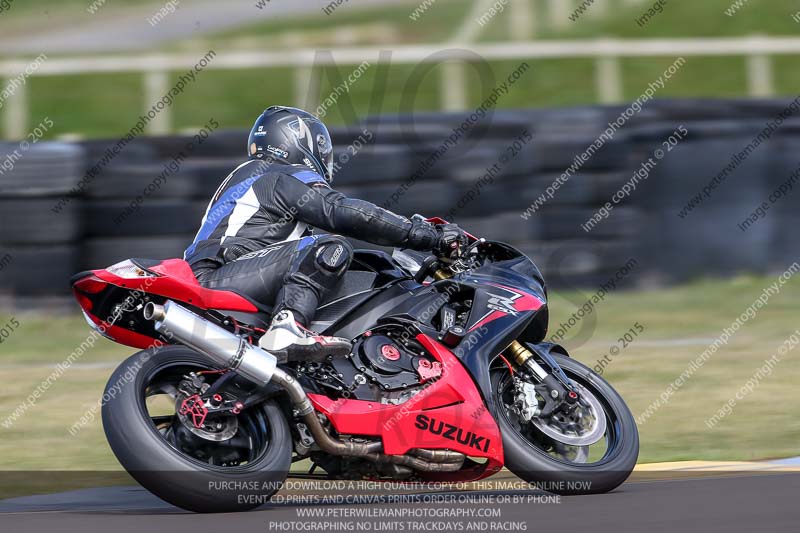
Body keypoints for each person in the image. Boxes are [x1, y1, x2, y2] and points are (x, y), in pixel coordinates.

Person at [184, 106, 465, 362]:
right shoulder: (281, 173)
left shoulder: (251, 176)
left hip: (224, 273)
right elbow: (343, 212)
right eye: (320, 146)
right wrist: (424, 234)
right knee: (328, 247)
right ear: (296, 140)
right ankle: (287, 327)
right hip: (221, 275)